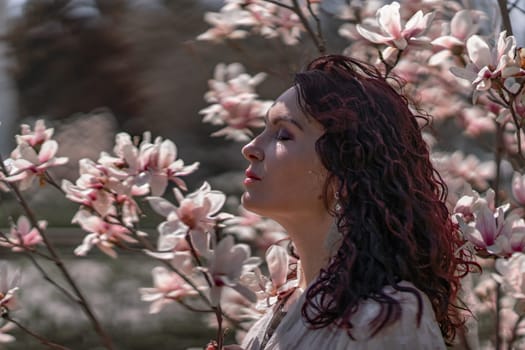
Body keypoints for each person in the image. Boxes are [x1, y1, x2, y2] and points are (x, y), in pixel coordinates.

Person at [236, 54, 473, 350]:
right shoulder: (281, 308)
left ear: (345, 171)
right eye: (265, 130)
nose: (251, 147)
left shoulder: (387, 318)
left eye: (284, 134)